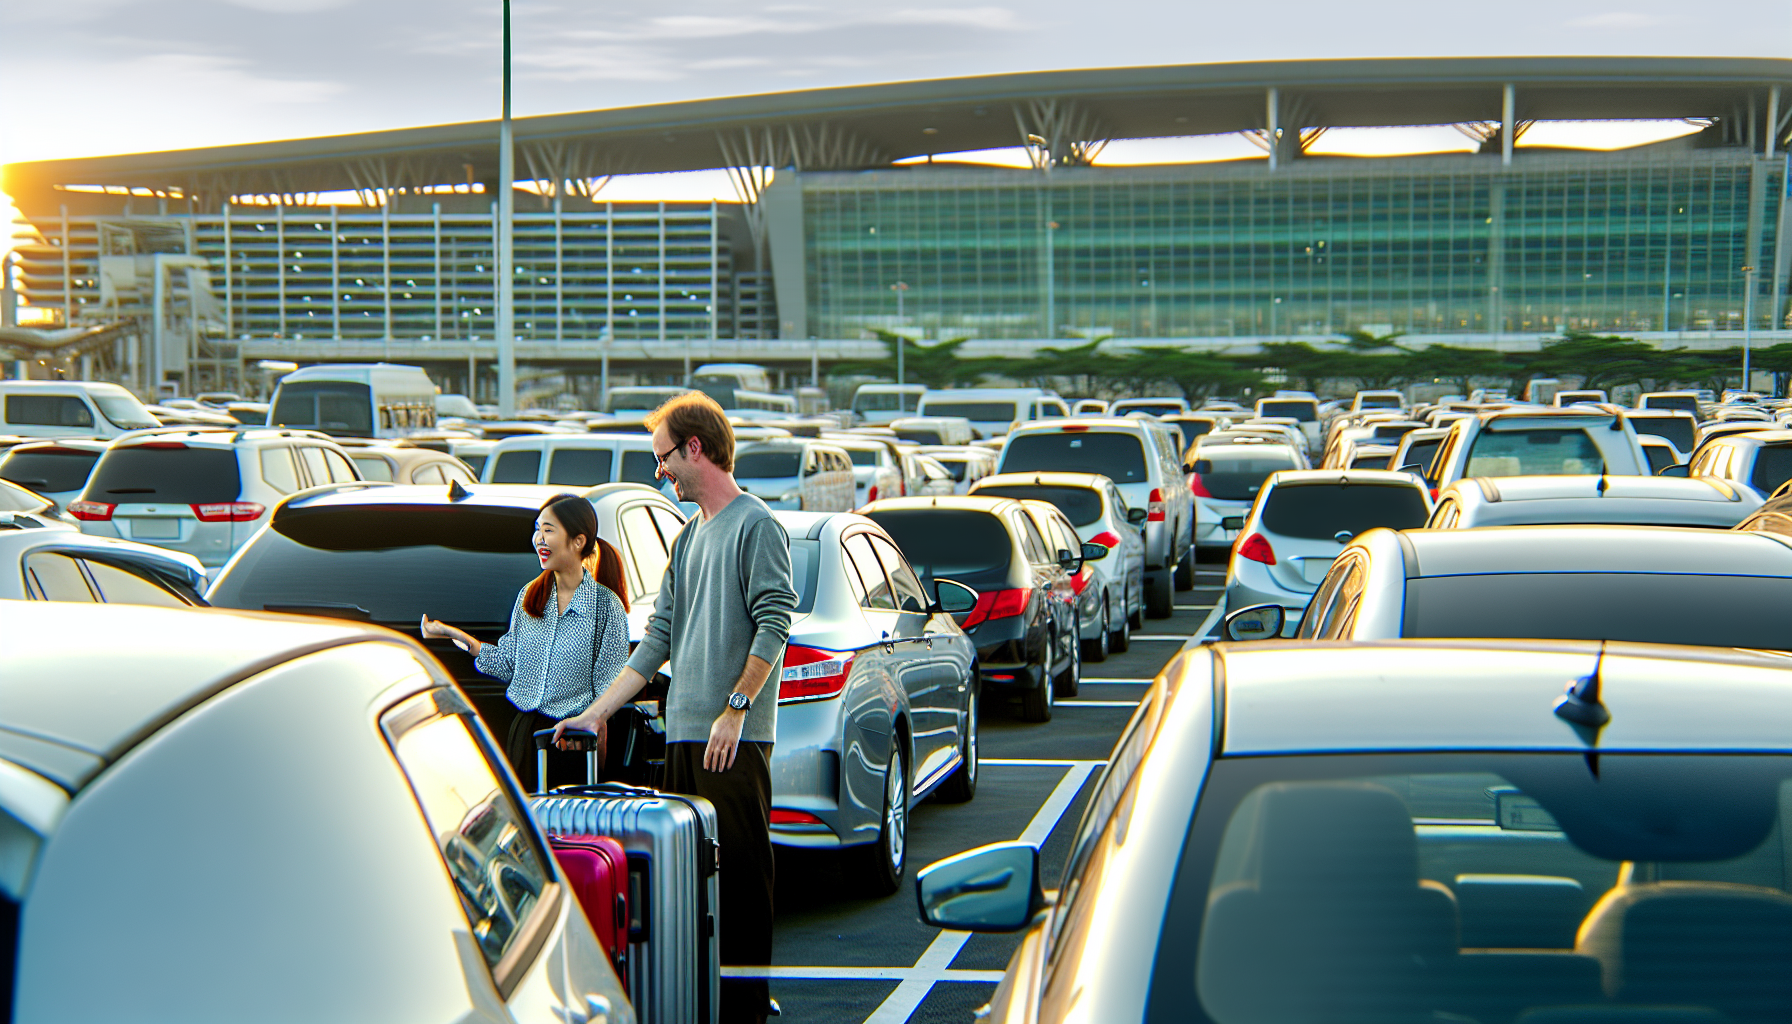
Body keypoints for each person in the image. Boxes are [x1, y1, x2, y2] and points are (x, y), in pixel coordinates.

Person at [555, 390, 796, 1024]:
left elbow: (775, 621)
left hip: (732, 737)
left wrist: (736, 707)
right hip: (686, 734)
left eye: (664, 458)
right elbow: (658, 636)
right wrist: (596, 712)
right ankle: (704, 996)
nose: (659, 472)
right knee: (696, 881)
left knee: (743, 874)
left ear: (696, 449)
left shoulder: (756, 525)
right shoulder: (689, 537)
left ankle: (746, 1004)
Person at [423, 492, 630, 791]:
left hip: (573, 741)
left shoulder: (604, 606)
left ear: (578, 541)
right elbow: (509, 664)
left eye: (548, 530)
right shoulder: (529, 597)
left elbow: (609, 691)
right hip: (525, 737)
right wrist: (456, 636)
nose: (539, 539)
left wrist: (590, 737)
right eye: (537, 529)